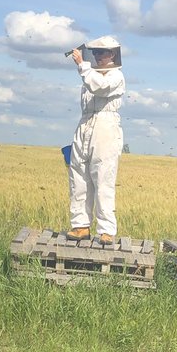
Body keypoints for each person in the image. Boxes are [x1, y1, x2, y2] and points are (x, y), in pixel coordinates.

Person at [67, 36, 125, 244]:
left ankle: (106, 230)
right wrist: (85, 69)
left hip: (105, 127)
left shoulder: (116, 76)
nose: (98, 56)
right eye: (95, 53)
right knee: (78, 177)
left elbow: (100, 87)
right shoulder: (90, 74)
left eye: (102, 52)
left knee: (103, 178)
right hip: (85, 124)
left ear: (112, 54)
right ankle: (80, 225)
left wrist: (82, 65)